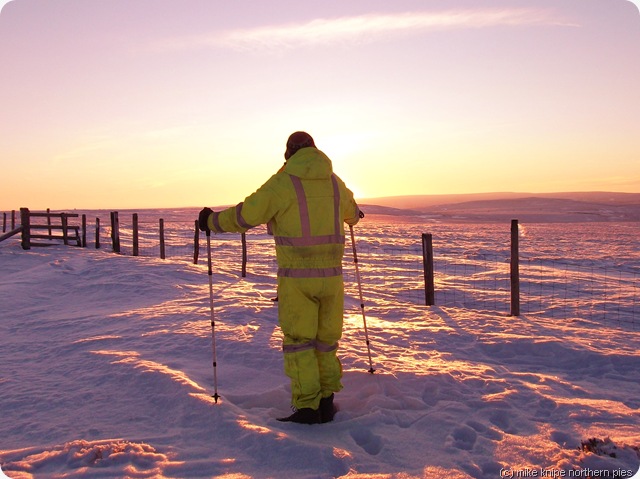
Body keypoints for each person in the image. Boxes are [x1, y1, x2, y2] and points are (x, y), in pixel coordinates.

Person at [198, 131, 362, 424]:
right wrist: (352, 214)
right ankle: (326, 400)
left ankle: (308, 408)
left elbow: (246, 215)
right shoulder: (335, 183)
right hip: (333, 280)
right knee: (326, 341)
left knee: (300, 342)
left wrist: (211, 221)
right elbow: (352, 214)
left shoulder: (283, 183)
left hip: (298, 279)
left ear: (289, 154)